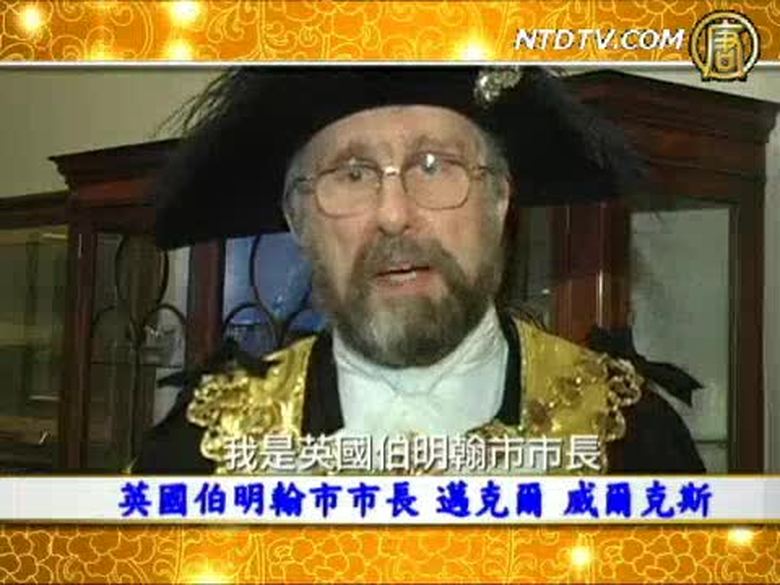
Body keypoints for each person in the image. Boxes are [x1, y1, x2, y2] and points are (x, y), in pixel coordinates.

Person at [133, 67, 705, 475]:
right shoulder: (202, 452)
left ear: (500, 199)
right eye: (353, 174)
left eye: (434, 166)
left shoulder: (628, 441)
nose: (394, 215)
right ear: (298, 218)